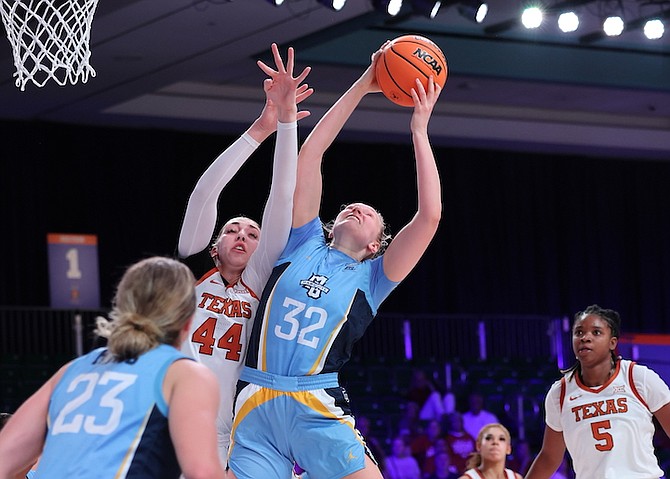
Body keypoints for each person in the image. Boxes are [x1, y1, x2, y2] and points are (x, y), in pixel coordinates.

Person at [227, 41, 443, 479]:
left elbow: (430, 216)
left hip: (317, 404)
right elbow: (312, 154)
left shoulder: (374, 277)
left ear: (375, 245)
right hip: (256, 399)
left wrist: (419, 131)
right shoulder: (302, 242)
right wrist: (365, 83)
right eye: (352, 206)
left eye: (371, 215)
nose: (358, 208)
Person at [177, 43, 311, 463]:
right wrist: (259, 130)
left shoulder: (260, 280)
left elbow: (282, 197)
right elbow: (204, 193)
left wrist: (287, 123)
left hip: (241, 426)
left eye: (252, 232)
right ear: (214, 245)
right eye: (231, 229)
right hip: (181, 416)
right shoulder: (191, 269)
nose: (241, 234)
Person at [0, 256, 225, 479]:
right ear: (188, 321)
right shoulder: (184, 374)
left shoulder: (71, 370)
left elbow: (5, 455)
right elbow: (203, 472)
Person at [525, 304, 670, 479]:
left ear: (612, 342)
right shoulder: (560, 393)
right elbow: (549, 457)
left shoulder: (638, 377)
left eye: (596, 332)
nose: (585, 338)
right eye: (579, 332)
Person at [458, 423, 523, 479]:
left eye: (501, 439)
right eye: (488, 438)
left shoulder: (516, 477)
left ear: (508, 449)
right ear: (478, 446)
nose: (495, 442)